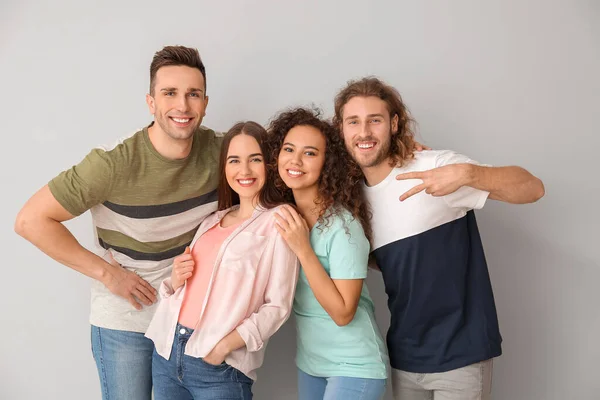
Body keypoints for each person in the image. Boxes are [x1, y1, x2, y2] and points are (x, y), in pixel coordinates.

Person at [14, 45, 221, 400]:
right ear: (150, 102)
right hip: (128, 316)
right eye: (169, 93)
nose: (182, 106)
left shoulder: (222, 151)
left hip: (188, 314)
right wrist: (109, 274)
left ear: (205, 102)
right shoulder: (112, 163)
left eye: (193, 94)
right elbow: (31, 220)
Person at [333, 76, 546, 400]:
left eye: (374, 120)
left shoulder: (435, 167)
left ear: (393, 124)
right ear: (341, 129)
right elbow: (392, 262)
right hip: (404, 357)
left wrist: (468, 174)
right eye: (353, 122)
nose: (363, 132)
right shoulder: (353, 199)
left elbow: (533, 188)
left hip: (461, 354)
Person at [146, 121, 299, 399]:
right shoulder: (211, 221)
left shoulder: (278, 221)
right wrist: (175, 280)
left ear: (269, 164)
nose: (244, 170)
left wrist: (224, 346)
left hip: (217, 367)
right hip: (167, 352)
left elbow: (278, 306)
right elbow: (187, 288)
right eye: (234, 160)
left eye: (255, 159)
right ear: (224, 167)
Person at [268, 108, 389, 400]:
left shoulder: (343, 227)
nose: (295, 161)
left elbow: (344, 312)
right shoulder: (285, 217)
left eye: (310, 153)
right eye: (288, 149)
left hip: (355, 366)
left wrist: (303, 248)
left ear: (327, 164)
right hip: (311, 364)